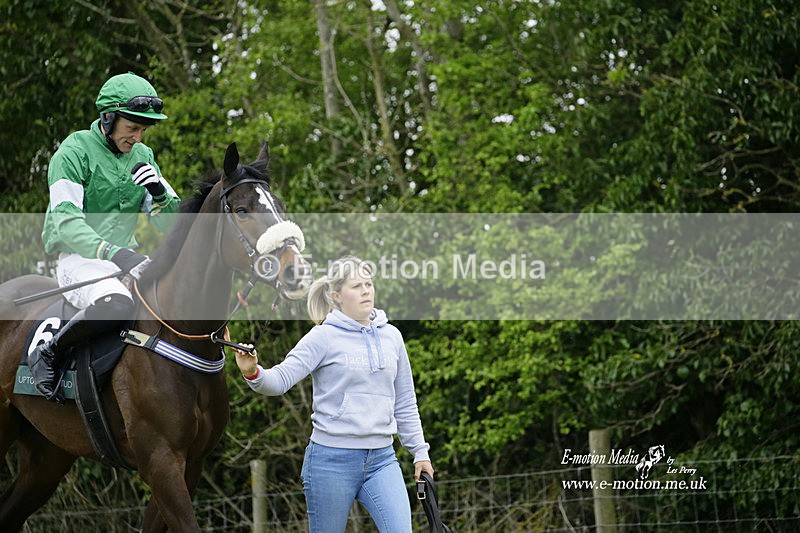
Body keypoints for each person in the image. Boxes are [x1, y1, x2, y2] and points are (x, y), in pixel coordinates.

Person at [234, 256, 434, 533]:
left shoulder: (392, 337)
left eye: (369, 283)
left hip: (382, 459)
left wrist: (420, 452)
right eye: (356, 286)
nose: (366, 290)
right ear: (337, 296)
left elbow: (405, 402)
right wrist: (253, 372)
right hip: (330, 461)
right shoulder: (322, 337)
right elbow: (279, 380)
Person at [28, 72, 180, 401]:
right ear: (108, 118)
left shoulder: (143, 157)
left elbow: (175, 229)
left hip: (124, 260)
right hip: (76, 260)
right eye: (132, 128)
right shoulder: (72, 152)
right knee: (119, 303)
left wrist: (160, 194)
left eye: (143, 129)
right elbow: (66, 222)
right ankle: (48, 352)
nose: (138, 137)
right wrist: (112, 252)